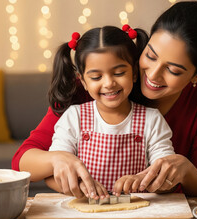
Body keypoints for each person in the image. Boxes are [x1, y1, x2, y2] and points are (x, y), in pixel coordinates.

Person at [12, 0, 197, 198]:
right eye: (150, 55)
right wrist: (57, 160)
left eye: (174, 70)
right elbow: (21, 160)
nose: (153, 74)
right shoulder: (89, 90)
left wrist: (186, 170)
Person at [21, 25, 175, 200]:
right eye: (96, 77)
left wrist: (143, 180)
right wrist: (77, 186)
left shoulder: (152, 119)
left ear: (133, 73)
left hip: (135, 213)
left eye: (119, 73)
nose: (109, 83)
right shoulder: (74, 117)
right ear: (83, 81)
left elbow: (166, 171)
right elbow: (55, 171)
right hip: (84, 213)